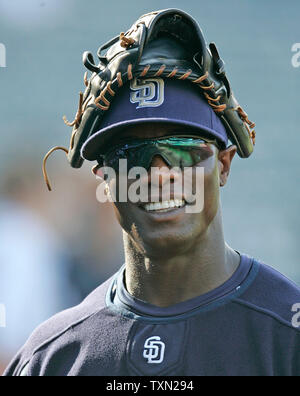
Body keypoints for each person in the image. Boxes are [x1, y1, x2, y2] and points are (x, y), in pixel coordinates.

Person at [4, 8, 300, 377]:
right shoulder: (52, 359)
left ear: (223, 164)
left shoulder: (287, 336)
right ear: (104, 177)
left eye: (181, 149)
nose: (159, 176)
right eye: (133, 155)